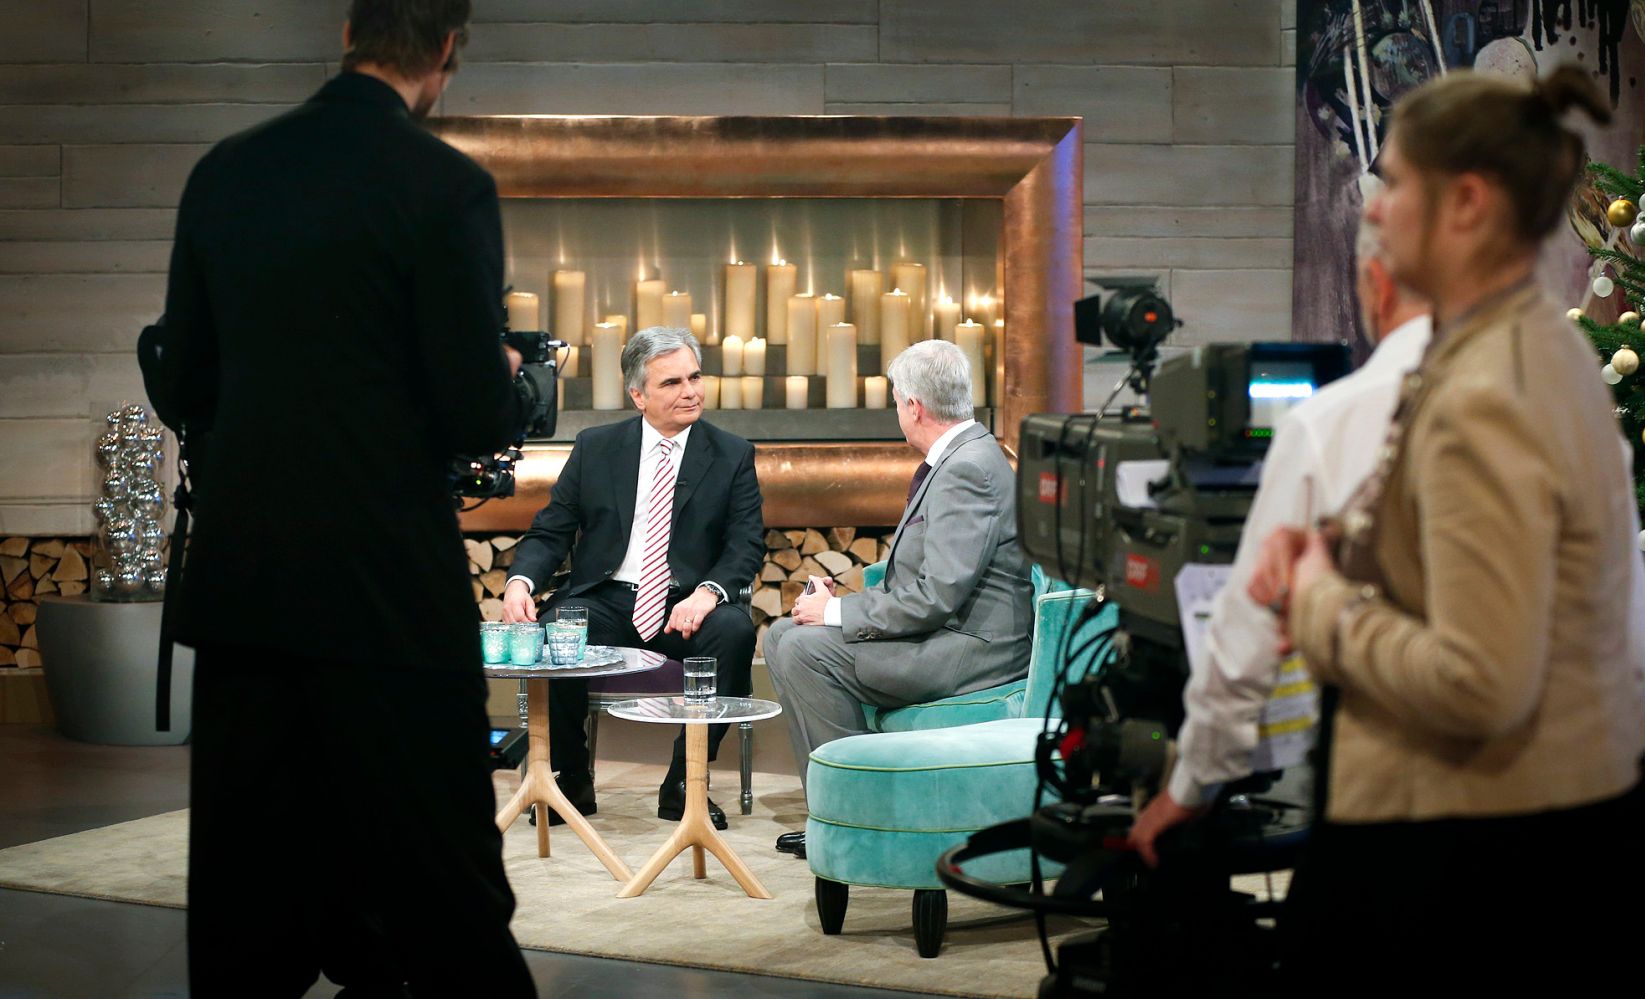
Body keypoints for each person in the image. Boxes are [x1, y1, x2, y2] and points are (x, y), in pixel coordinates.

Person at [145, 1, 536, 994]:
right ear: (446, 49)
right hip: (385, 600)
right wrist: (506, 374)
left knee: (245, 918)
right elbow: (473, 415)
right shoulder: (445, 185)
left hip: (249, 598)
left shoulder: (225, 171)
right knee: (446, 904)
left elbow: (182, 376)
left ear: (349, 33)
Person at [1254, 67, 1645, 991]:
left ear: (1466, 203)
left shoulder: (1488, 395)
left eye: (1393, 182)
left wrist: (1318, 600)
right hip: (1538, 835)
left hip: (1474, 867)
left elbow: (1480, 682)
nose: (1373, 207)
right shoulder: (1535, 346)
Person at [1126, 213, 1432, 863]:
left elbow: (1246, 632)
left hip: (1401, 792)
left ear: (1376, 283)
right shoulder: (1566, 402)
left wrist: (1193, 783)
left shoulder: (1330, 421)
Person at [765, 339, 1035, 859]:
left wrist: (839, 612)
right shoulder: (965, 453)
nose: (897, 411)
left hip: (972, 650)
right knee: (783, 634)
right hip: (946, 630)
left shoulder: (967, 468)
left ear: (915, 406)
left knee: (804, 649)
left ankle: (863, 815)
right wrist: (840, 603)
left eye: (895, 400)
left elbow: (937, 594)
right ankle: (830, 807)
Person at [504, 326, 765, 831]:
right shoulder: (597, 447)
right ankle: (570, 775)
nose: (690, 391)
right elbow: (551, 529)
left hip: (687, 605)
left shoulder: (732, 454)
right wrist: (520, 581)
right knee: (557, 630)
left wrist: (709, 593)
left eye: (694, 377)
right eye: (671, 383)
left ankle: (685, 782)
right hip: (608, 598)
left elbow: (745, 544)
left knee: (733, 632)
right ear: (638, 395)